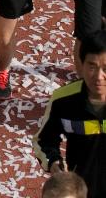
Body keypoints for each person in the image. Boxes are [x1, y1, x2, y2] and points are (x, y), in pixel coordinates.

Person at [34, 30, 106, 195]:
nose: (99, 76)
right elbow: (43, 141)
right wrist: (53, 162)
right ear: (81, 63)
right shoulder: (63, 100)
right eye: (92, 66)